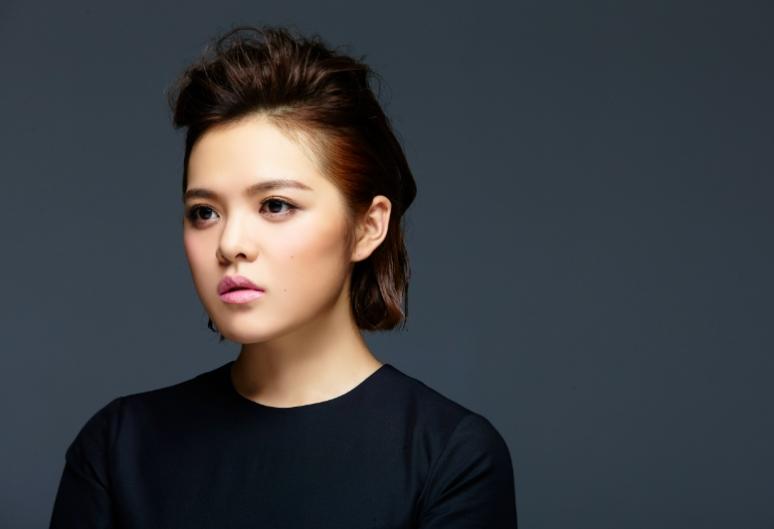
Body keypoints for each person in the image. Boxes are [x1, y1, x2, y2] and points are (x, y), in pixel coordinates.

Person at [48, 24, 518, 529]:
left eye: (275, 205)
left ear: (367, 227)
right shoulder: (119, 448)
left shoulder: (449, 457)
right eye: (205, 212)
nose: (230, 244)